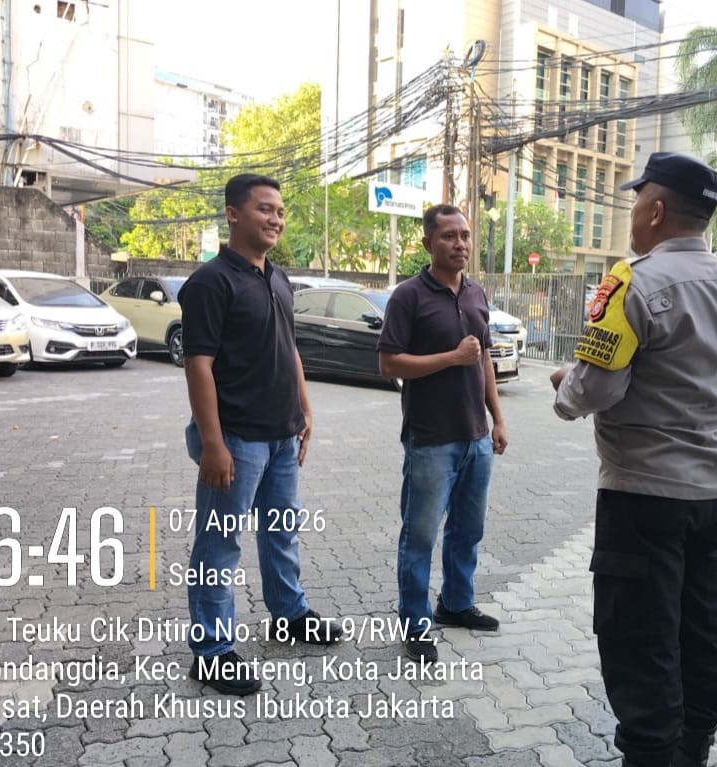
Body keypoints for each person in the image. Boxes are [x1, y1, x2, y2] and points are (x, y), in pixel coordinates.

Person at [550, 153, 717, 767]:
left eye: (636, 201)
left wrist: (565, 387)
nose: (632, 214)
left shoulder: (632, 283)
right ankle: (693, 753)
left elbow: (596, 389)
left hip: (643, 500)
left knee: (641, 648)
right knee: (701, 637)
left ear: (656, 210)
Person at [179, 173, 342, 697]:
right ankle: (211, 651)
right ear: (233, 213)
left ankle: (290, 613)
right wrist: (212, 443)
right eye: (265, 209)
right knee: (220, 542)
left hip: (282, 435)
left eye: (280, 211)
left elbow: (288, 348)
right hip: (237, 439)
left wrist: (305, 408)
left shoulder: (277, 278)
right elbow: (199, 366)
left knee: (281, 530)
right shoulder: (210, 283)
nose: (275, 219)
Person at [377, 204, 509, 663]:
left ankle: (455, 603)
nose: (460, 244)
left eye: (465, 235)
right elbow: (389, 363)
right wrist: (451, 358)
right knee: (420, 537)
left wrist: (497, 418)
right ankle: (415, 623)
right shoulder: (408, 297)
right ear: (427, 243)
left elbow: (484, 359)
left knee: (467, 530)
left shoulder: (476, 293)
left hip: (476, 437)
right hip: (431, 439)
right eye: (449, 236)